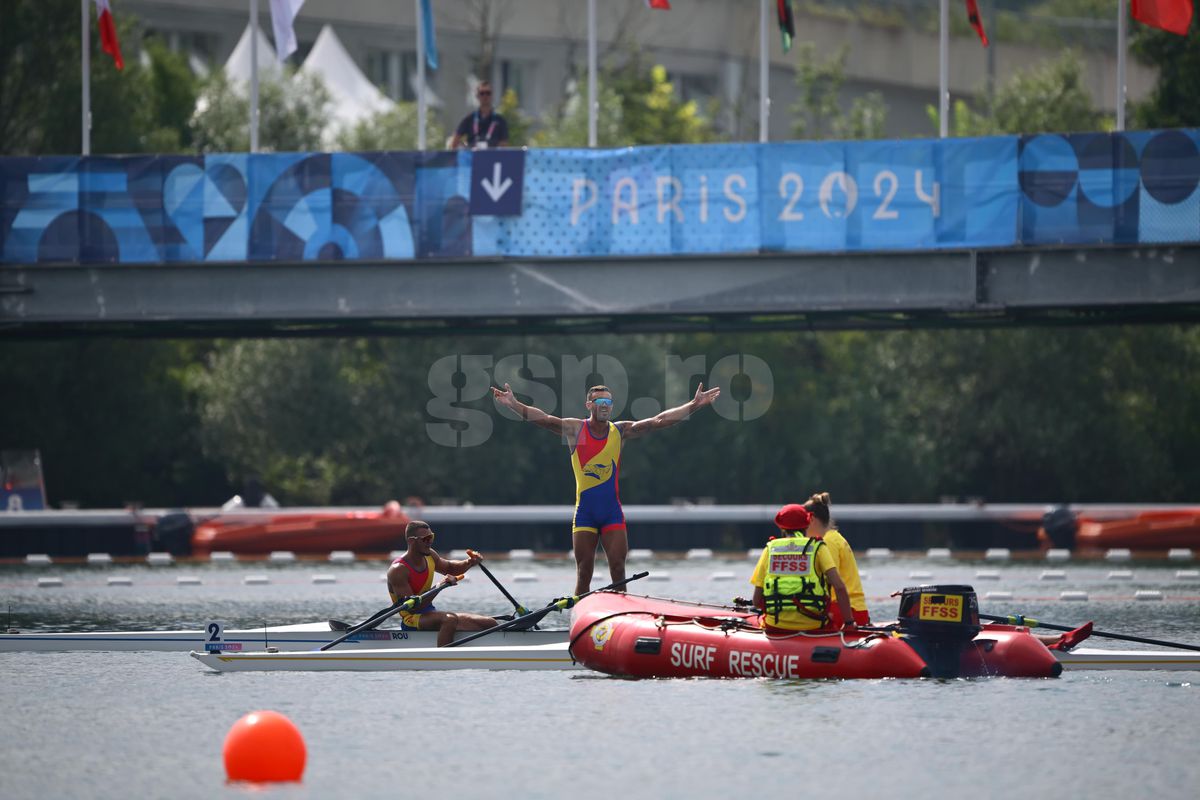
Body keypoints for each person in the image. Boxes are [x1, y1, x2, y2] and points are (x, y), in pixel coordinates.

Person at [492, 381, 721, 595]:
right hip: (585, 514)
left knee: (619, 570)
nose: (605, 407)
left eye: (609, 403)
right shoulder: (575, 430)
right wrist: (513, 404)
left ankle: (618, 620)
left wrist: (694, 405)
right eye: (600, 402)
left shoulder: (619, 431)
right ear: (589, 405)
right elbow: (543, 419)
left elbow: (658, 421)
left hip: (611, 512)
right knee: (584, 574)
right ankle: (579, 622)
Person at [387, 520, 498, 646]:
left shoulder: (429, 555)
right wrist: (439, 586)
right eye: (426, 539)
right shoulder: (398, 570)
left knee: (489, 623)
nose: (430, 542)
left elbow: (450, 568)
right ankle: (443, 659)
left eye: (431, 537)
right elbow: (414, 608)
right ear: (411, 541)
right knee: (449, 620)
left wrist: (469, 562)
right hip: (411, 619)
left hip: (430, 613)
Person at [750, 504, 856, 636]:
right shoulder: (817, 547)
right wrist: (849, 623)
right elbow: (839, 587)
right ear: (807, 524)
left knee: (754, 620)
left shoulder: (770, 548)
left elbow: (756, 600)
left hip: (775, 624)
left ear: (781, 527)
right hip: (813, 625)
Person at [802, 491, 871, 627]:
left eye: (802, 522)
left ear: (811, 519)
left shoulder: (827, 542)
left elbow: (832, 584)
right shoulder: (834, 537)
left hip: (844, 610)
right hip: (855, 609)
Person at [449, 81, 509, 150]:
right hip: (473, 158)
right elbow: (454, 142)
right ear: (477, 96)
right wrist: (465, 148)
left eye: (488, 93)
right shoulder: (469, 119)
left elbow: (504, 146)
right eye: (482, 93)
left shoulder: (500, 120)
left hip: (492, 158)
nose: (485, 96)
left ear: (492, 95)